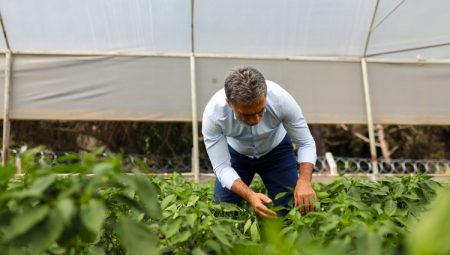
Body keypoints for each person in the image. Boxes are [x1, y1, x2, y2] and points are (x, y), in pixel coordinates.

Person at [202, 66, 317, 218]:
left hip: (277, 153)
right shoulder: (213, 115)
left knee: (293, 209)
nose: (256, 120)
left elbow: (305, 142)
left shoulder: (281, 100)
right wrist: (250, 196)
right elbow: (222, 167)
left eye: (261, 111)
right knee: (222, 211)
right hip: (237, 156)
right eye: (247, 115)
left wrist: (304, 181)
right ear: (230, 104)